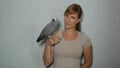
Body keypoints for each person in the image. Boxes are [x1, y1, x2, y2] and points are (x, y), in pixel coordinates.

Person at [43, 3, 93, 68]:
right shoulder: (55, 35)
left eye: (72, 17)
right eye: (67, 15)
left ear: (78, 20)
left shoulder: (84, 39)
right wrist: (48, 44)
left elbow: (88, 63)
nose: (68, 20)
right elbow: (46, 63)